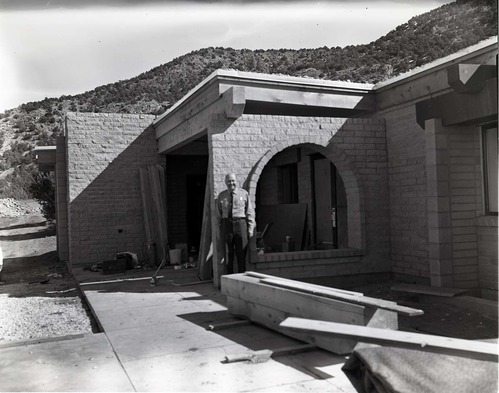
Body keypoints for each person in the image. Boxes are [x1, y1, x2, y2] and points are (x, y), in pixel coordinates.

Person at [217, 173, 255, 274]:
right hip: (227, 225)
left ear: (236, 181)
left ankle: (242, 278)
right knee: (228, 254)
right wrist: (218, 231)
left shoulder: (244, 194)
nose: (231, 183)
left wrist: (251, 229)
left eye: (233, 181)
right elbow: (218, 216)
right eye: (229, 181)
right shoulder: (221, 196)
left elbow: (250, 213)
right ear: (225, 182)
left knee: (242, 253)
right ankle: (229, 279)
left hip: (241, 224)